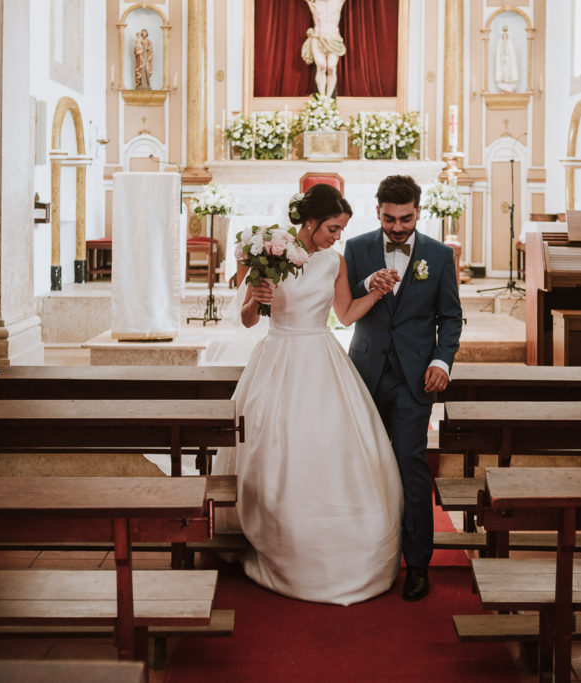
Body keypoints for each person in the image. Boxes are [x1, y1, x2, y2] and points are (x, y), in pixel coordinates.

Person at [212, 183, 404, 606]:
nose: (338, 237)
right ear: (310, 221)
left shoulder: (333, 262)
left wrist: (374, 292)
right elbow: (247, 319)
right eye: (333, 228)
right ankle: (280, 537)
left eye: (342, 230)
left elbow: (345, 314)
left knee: (332, 449)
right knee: (277, 449)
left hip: (321, 357)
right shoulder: (271, 253)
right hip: (278, 358)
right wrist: (256, 299)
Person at [344, 175, 464, 601]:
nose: (397, 227)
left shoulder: (439, 255)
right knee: (365, 467)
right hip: (366, 373)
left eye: (406, 218)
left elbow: (450, 317)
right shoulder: (356, 248)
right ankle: (367, 555)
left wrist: (440, 361)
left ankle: (417, 564)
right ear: (377, 210)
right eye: (390, 218)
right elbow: (343, 304)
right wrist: (366, 286)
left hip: (415, 378)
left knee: (409, 463)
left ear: (418, 210)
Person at [301, 0, 346, 97]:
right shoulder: (314, 2)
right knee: (321, 66)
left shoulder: (338, 1)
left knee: (331, 67)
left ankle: (328, 99)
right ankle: (322, 98)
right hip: (318, 38)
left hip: (333, 39)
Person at [495, 25, 520, 93]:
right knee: (503, 70)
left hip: (509, 60)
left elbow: (511, 53)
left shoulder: (509, 44)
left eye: (505, 37)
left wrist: (507, 54)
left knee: (508, 70)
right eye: (503, 37)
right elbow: (499, 53)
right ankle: (504, 82)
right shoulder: (500, 43)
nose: (504, 38)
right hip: (502, 60)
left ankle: (509, 82)